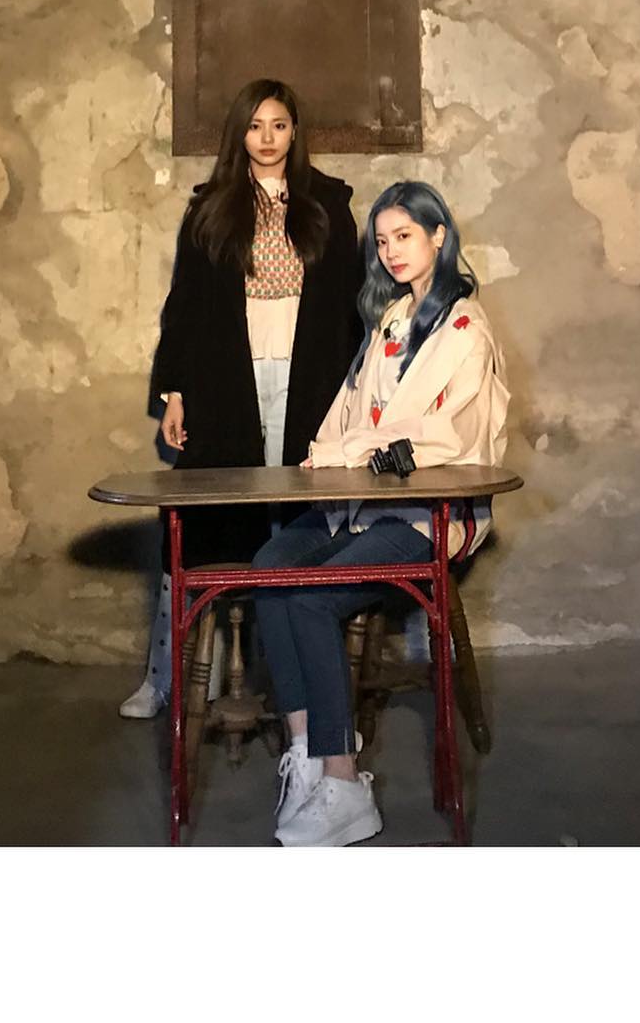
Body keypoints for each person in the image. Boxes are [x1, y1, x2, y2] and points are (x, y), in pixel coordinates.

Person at [252, 179, 509, 846]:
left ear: (439, 237)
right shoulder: (391, 320)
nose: (392, 251)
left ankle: (345, 785)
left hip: (425, 514)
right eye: (384, 240)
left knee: (310, 597)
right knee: (270, 569)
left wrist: (357, 449)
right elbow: (349, 409)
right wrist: (325, 453)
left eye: (406, 236)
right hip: (363, 503)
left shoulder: (465, 329)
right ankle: (309, 756)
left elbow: (446, 437)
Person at [119, 79, 362, 719]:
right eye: (255, 126)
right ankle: (166, 679)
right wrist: (175, 392)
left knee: (302, 521)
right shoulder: (212, 208)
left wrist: (361, 391)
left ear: (294, 131)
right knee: (202, 525)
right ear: (240, 134)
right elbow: (185, 305)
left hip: (311, 382)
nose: (267, 138)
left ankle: (303, 690)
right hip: (228, 381)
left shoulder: (329, 205)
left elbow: (352, 304)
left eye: (279, 125)